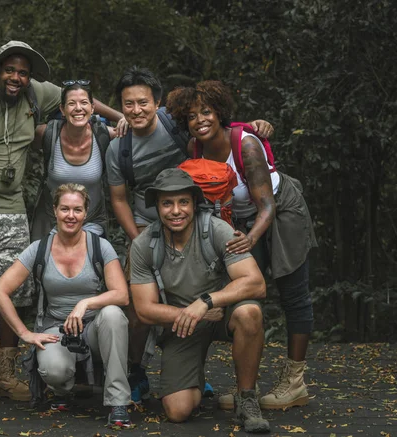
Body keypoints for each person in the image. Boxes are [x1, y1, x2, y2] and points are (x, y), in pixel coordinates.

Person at [0, 40, 126, 408]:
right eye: (10, 70)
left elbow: (80, 99)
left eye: (23, 72)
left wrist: (119, 118)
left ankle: (6, 373)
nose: (16, 78)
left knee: (17, 291)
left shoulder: (33, 92)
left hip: (10, 207)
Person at [105, 66, 274, 403]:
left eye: (143, 103)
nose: (136, 110)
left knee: (207, 289)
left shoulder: (175, 123)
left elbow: (212, 125)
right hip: (145, 224)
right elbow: (120, 198)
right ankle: (137, 369)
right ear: (121, 107)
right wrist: (139, 236)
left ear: (157, 104)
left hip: (194, 218)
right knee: (138, 306)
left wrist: (250, 127)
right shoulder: (118, 149)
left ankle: (202, 374)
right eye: (128, 105)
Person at [166, 80, 317, 410]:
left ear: (219, 113)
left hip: (279, 210)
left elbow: (267, 207)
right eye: (191, 115)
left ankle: (295, 383)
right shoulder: (196, 148)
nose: (200, 120)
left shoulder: (245, 144)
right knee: (245, 294)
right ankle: (246, 388)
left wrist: (249, 239)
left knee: (292, 292)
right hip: (243, 219)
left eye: (206, 111)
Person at [129, 168, 270, 433]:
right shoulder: (145, 244)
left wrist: (206, 302)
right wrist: (194, 313)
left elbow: (256, 283)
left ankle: (247, 398)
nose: (176, 210)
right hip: (181, 326)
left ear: (194, 203)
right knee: (178, 411)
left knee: (250, 312)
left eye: (183, 202)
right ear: (157, 207)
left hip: (221, 314)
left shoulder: (216, 230)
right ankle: (194, 377)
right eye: (167, 203)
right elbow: (145, 310)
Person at [0, 183, 132, 428]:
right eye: (64, 208)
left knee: (113, 314)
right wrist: (24, 333)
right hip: (57, 328)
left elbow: (122, 295)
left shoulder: (100, 246)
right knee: (54, 371)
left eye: (77, 209)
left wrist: (85, 303)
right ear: (54, 210)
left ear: (85, 213)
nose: (71, 215)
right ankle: (62, 390)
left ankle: (118, 402)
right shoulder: (40, 249)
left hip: (95, 327)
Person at [30, 80, 118, 241]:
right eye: (71, 103)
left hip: (92, 224)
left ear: (92, 108)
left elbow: (139, 132)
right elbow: (17, 135)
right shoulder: (47, 134)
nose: (78, 108)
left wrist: (124, 119)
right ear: (62, 109)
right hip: (51, 224)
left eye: (84, 103)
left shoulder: (104, 135)